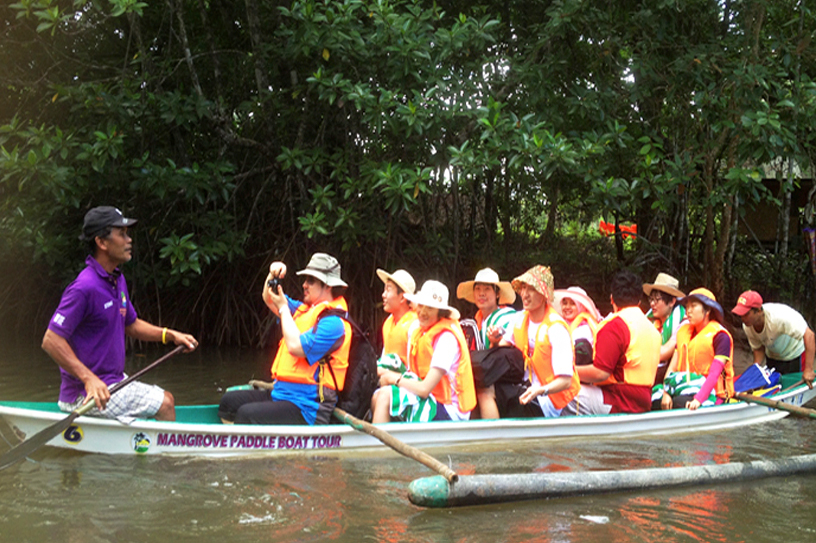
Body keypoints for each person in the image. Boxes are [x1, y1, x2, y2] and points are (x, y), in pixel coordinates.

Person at [42, 206, 198, 422]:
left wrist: (170, 335)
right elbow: (51, 340)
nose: (129, 240)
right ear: (102, 242)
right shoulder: (84, 288)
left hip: (113, 382)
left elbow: (131, 324)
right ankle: (167, 456)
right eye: (122, 234)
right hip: (86, 395)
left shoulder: (116, 279)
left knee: (158, 401)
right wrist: (89, 379)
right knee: (166, 402)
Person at [218, 253, 352, 425]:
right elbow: (269, 298)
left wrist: (283, 309)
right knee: (229, 402)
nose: (304, 285)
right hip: (281, 394)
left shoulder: (335, 324)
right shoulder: (303, 310)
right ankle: (235, 443)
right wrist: (272, 274)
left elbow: (296, 347)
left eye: (310, 280)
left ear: (327, 286)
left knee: (246, 414)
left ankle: (241, 447)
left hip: (307, 407)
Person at [371, 280, 476, 423]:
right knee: (377, 396)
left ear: (441, 312)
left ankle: (380, 445)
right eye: (420, 305)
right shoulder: (419, 330)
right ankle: (385, 441)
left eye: (430, 308)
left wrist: (393, 378)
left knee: (384, 397)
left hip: (449, 410)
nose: (422, 312)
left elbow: (424, 389)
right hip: (430, 397)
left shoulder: (447, 338)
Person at [562, 269, 661, 415]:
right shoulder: (652, 329)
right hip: (644, 400)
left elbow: (600, 373)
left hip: (620, 400)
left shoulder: (615, 325)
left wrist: (565, 372)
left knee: (560, 390)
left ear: (612, 299)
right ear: (639, 301)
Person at [489, 265, 580, 418]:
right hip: (525, 388)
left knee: (494, 393)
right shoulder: (520, 319)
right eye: (523, 288)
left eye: (531, 289)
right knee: (485, 388)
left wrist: (540, 390)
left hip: (549, 399)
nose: (524, 294)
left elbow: (565, 381)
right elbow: (500, 351)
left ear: (544, 294)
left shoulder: (556, 329)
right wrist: (494, 340)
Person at [653, 288, 734, 410]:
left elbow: (714, 373)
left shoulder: (721, 336)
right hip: (686, 388)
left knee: (678, 402)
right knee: (654, 399)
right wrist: (666, 393)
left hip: (713, 394)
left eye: (693, 306)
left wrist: (698, 399)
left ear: (707, 310)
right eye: (687, 306)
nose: (688, 311)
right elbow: (672, 368)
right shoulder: (683, 332)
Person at [732, 290, 815, 387]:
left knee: (795, 385)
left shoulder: (780, 318)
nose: (743, 318)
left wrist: (809, 369)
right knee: (775, 386)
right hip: (773, 355)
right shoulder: (747, 326)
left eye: (746, 314)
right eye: (741, 314)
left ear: (758, 311)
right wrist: (755, 370)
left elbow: (809, 335)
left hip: (794, 352)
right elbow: (758, 348)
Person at [643, 273, 688, 384]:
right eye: (651, 299)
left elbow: (663, 352)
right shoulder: (651, 320)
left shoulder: (683, 322)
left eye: (657, 300)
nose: (652, 304)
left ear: (672, 302)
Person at [456, 268, 517, 349]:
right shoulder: (477, 320)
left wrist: (495, 341)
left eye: (487, 289)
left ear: (497, 293)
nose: (481, 293)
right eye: (478, 288)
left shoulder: (507, 317)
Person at [376, 268, 418, 365]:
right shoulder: (388, 321)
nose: (383, 295)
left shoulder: (415, 325)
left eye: (388, 290)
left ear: (402, 297)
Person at [553, 286, 601, 366]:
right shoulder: (559, 324)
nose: (567, 307)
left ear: (581, 306)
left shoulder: (585, 329)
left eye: (572, 303)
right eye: (565, 303)